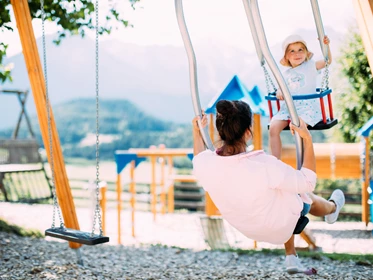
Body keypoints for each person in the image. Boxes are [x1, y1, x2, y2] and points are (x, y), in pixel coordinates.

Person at [192, 100, 345, 275]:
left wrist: (197, 132)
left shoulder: (205, 164)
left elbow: (199, 157)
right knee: (302, 194)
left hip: (248, 228)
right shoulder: (264, 165)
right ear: (248, 132)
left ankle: (291, 256)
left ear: (220, 131)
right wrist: (307, 140)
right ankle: (333, 208)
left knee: (281, 191)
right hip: (278, 226)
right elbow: (308, 181)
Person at [270, 34, 332, 159]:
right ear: (286, 56)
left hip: (307, 108)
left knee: (300, 128)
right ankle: (275, 161)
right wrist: (279, 92)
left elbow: (327, 61)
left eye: (300, 50)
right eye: (292, 51)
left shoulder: (310, 66)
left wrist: (326, 46)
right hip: (289, 109)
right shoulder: (284, 74)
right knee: (273, 128)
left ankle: (306, 161)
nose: (297, 54)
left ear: (305, 52)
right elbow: (279, 90)